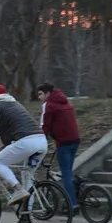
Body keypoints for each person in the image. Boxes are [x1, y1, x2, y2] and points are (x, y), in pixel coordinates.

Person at [0, 83, 48, 207]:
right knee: (27, 175)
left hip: (26, 142)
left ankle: (17, 188)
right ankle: (27, 212)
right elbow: (2, 137)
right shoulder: (16, 105)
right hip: (41, 141)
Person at [37, 82, 81, 215]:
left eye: (40, 94)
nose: (39, 97)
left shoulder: (48, 105)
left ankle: (72, 205)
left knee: (66, 175)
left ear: (47, 93)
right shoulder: (65, 101)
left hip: (64, 143)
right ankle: (77, 192)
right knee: (68, 171)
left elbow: (44, 127)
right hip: (75, 140)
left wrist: (38, 145)